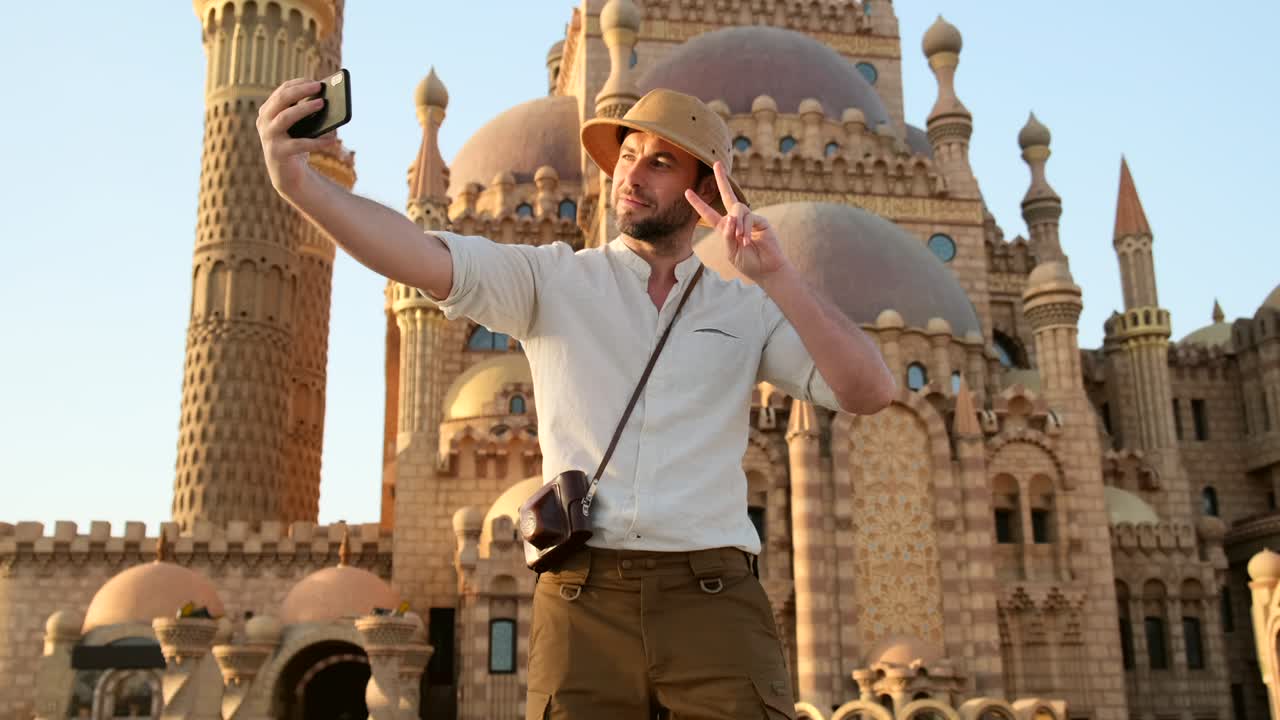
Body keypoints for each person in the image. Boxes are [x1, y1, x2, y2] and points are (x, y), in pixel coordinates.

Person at [258, 81, 895, 719]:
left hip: (714, 594)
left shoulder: (743, 307)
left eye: (660, 162)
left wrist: (778, 276)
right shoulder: (554, 280)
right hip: (584, 592)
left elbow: (870, 390)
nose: (632, 175)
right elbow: (421, 257)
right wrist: (302, 186)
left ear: (706, 187)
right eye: (627, 155)